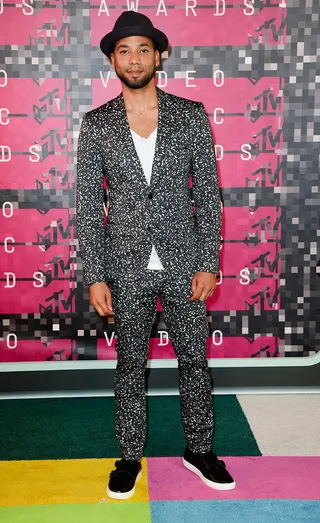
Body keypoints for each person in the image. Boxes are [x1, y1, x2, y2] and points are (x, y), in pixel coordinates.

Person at [76, 10, 236, 500]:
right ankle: (129, 456)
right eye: (123, 50)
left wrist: (209, 260)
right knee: (129, 364)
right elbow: (88, 204)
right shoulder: (96, 124)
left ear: (160, 55)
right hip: (124, 265)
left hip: (185, 260)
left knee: (194, 358)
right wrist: (95, 274)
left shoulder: (190, 115)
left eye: (143, 49)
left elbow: (208, 195)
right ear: (111, 60)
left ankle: (200, 450)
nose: (134, 58)